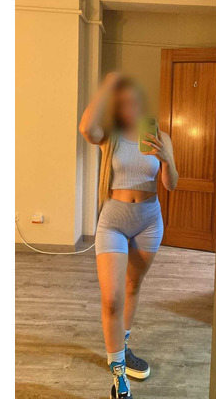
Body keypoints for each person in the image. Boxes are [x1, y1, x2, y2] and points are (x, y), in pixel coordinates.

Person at [79, 72, 179, 399]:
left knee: (133, 286)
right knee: (112, 298)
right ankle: (119, 377)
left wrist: (166, 159)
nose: (129, 107)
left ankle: (122, 349)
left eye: (133, 100)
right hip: (114, 221)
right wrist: (108, 84)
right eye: (121, 102)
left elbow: (171, 184)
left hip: (149, 221)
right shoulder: (110, 135)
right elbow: (86, 128)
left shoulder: (160, 136)